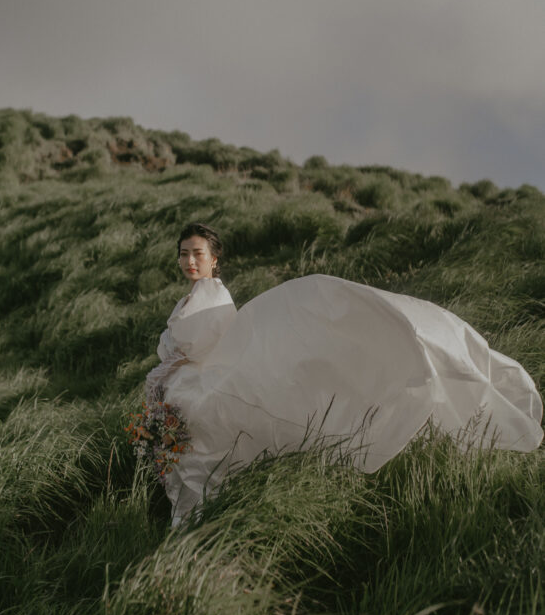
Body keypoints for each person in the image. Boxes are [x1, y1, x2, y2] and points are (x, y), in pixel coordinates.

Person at [145, 223, 544, 525]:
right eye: (184, 254)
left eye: (197, 253)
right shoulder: (191, 298)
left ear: (214, 259)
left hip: (207, 374)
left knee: (211, 415)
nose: (190, 261)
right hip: (192, 378)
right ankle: (193, 512)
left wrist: (172, 364)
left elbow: (202, 346)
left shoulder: (213, 295)